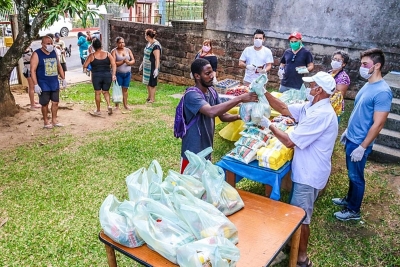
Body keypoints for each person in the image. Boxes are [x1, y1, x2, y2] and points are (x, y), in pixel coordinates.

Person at [261, 71, 338, 267]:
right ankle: (291, 244)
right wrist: (263, 92)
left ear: (318, 90)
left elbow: (288, 141)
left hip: (310, 173)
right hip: (304, 169)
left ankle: (302, 258)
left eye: (311, 86)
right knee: (298, 211)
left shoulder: (321, 114)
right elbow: (285, 108)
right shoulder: (311, 106)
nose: (308, 89)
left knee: (301, 216)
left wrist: (268, 125)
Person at [332, 48, 393, 221]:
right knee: (351, 174)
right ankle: (349, 200)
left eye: (365, 64)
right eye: (361, 63)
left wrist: (363, 146)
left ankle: (353, 210)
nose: (362, 67)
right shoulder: (369, 84)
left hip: (360, 142)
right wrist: (347, 130)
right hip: (353, 137)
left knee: (356, 176)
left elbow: (379, 123)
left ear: (377, 65)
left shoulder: (382, 91)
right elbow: (359, 111)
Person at [180, 58, 258, 173]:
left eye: (212, 72)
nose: (212, 76)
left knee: (204, 186)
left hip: (206, 149)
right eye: (207, 73)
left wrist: (240, 116)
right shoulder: (191, 95)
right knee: (189, 186)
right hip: (192, 151)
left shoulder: (211, 91)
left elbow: (223, 116)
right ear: (197, 76)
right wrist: (240, 98)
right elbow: (211, 111)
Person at [30, 35, 67, 129]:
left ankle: (54, 120)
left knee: (55, 102)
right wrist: (36, 84)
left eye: (51, 43)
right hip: (43, 83)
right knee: (45, 103)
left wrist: (63, 78)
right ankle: (46, 121)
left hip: (54, 82)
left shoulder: (54, 52)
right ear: (42, 44)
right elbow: (32, 70)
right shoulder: (37, 54)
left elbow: (59, 66)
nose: (50, 45)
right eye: (48, 44)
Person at [83, 38, 117, 116]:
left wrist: (87, 70)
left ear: (93, 46)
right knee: (106, 92)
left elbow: (85, 65)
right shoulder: (107, 54)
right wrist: (113, 74)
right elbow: (114, 64)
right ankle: (109, 105)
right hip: (107, 75)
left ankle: (98, 110)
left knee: (97, 93)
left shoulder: (91, 56)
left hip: (96, 76)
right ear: (101, 45)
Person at [111, 37, 135, 110]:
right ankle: (117, 105)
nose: (122, 44)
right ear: (117, 43)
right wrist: (123, 62)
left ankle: (125, 105)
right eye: (120, 43)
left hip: (127, 73)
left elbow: (133, 60)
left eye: (123, 42)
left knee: (125, 89)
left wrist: (129, 62)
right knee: (117, 89)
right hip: (119, 73)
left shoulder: (128, 50)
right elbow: (113, 63)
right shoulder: (114, 51)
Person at [139, 28, 161, 103]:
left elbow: (157, 58)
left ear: (148, 36)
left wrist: (156, 69)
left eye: (145, 35)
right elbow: (146, 54)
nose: (145, 37)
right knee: (147, 82)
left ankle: (152, 98)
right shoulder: (148, 43)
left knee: (152, 83)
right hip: (146, 66)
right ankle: (149, 96)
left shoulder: (156, 45)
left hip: (152, 66)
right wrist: (142, 64)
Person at [328, 50, 350, 119]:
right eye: (334, 59)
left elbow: (339, 95)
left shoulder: (344, 77)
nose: (335, 61)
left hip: (334, 108)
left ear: (343, 64)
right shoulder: (330, 72)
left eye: (339, 60)